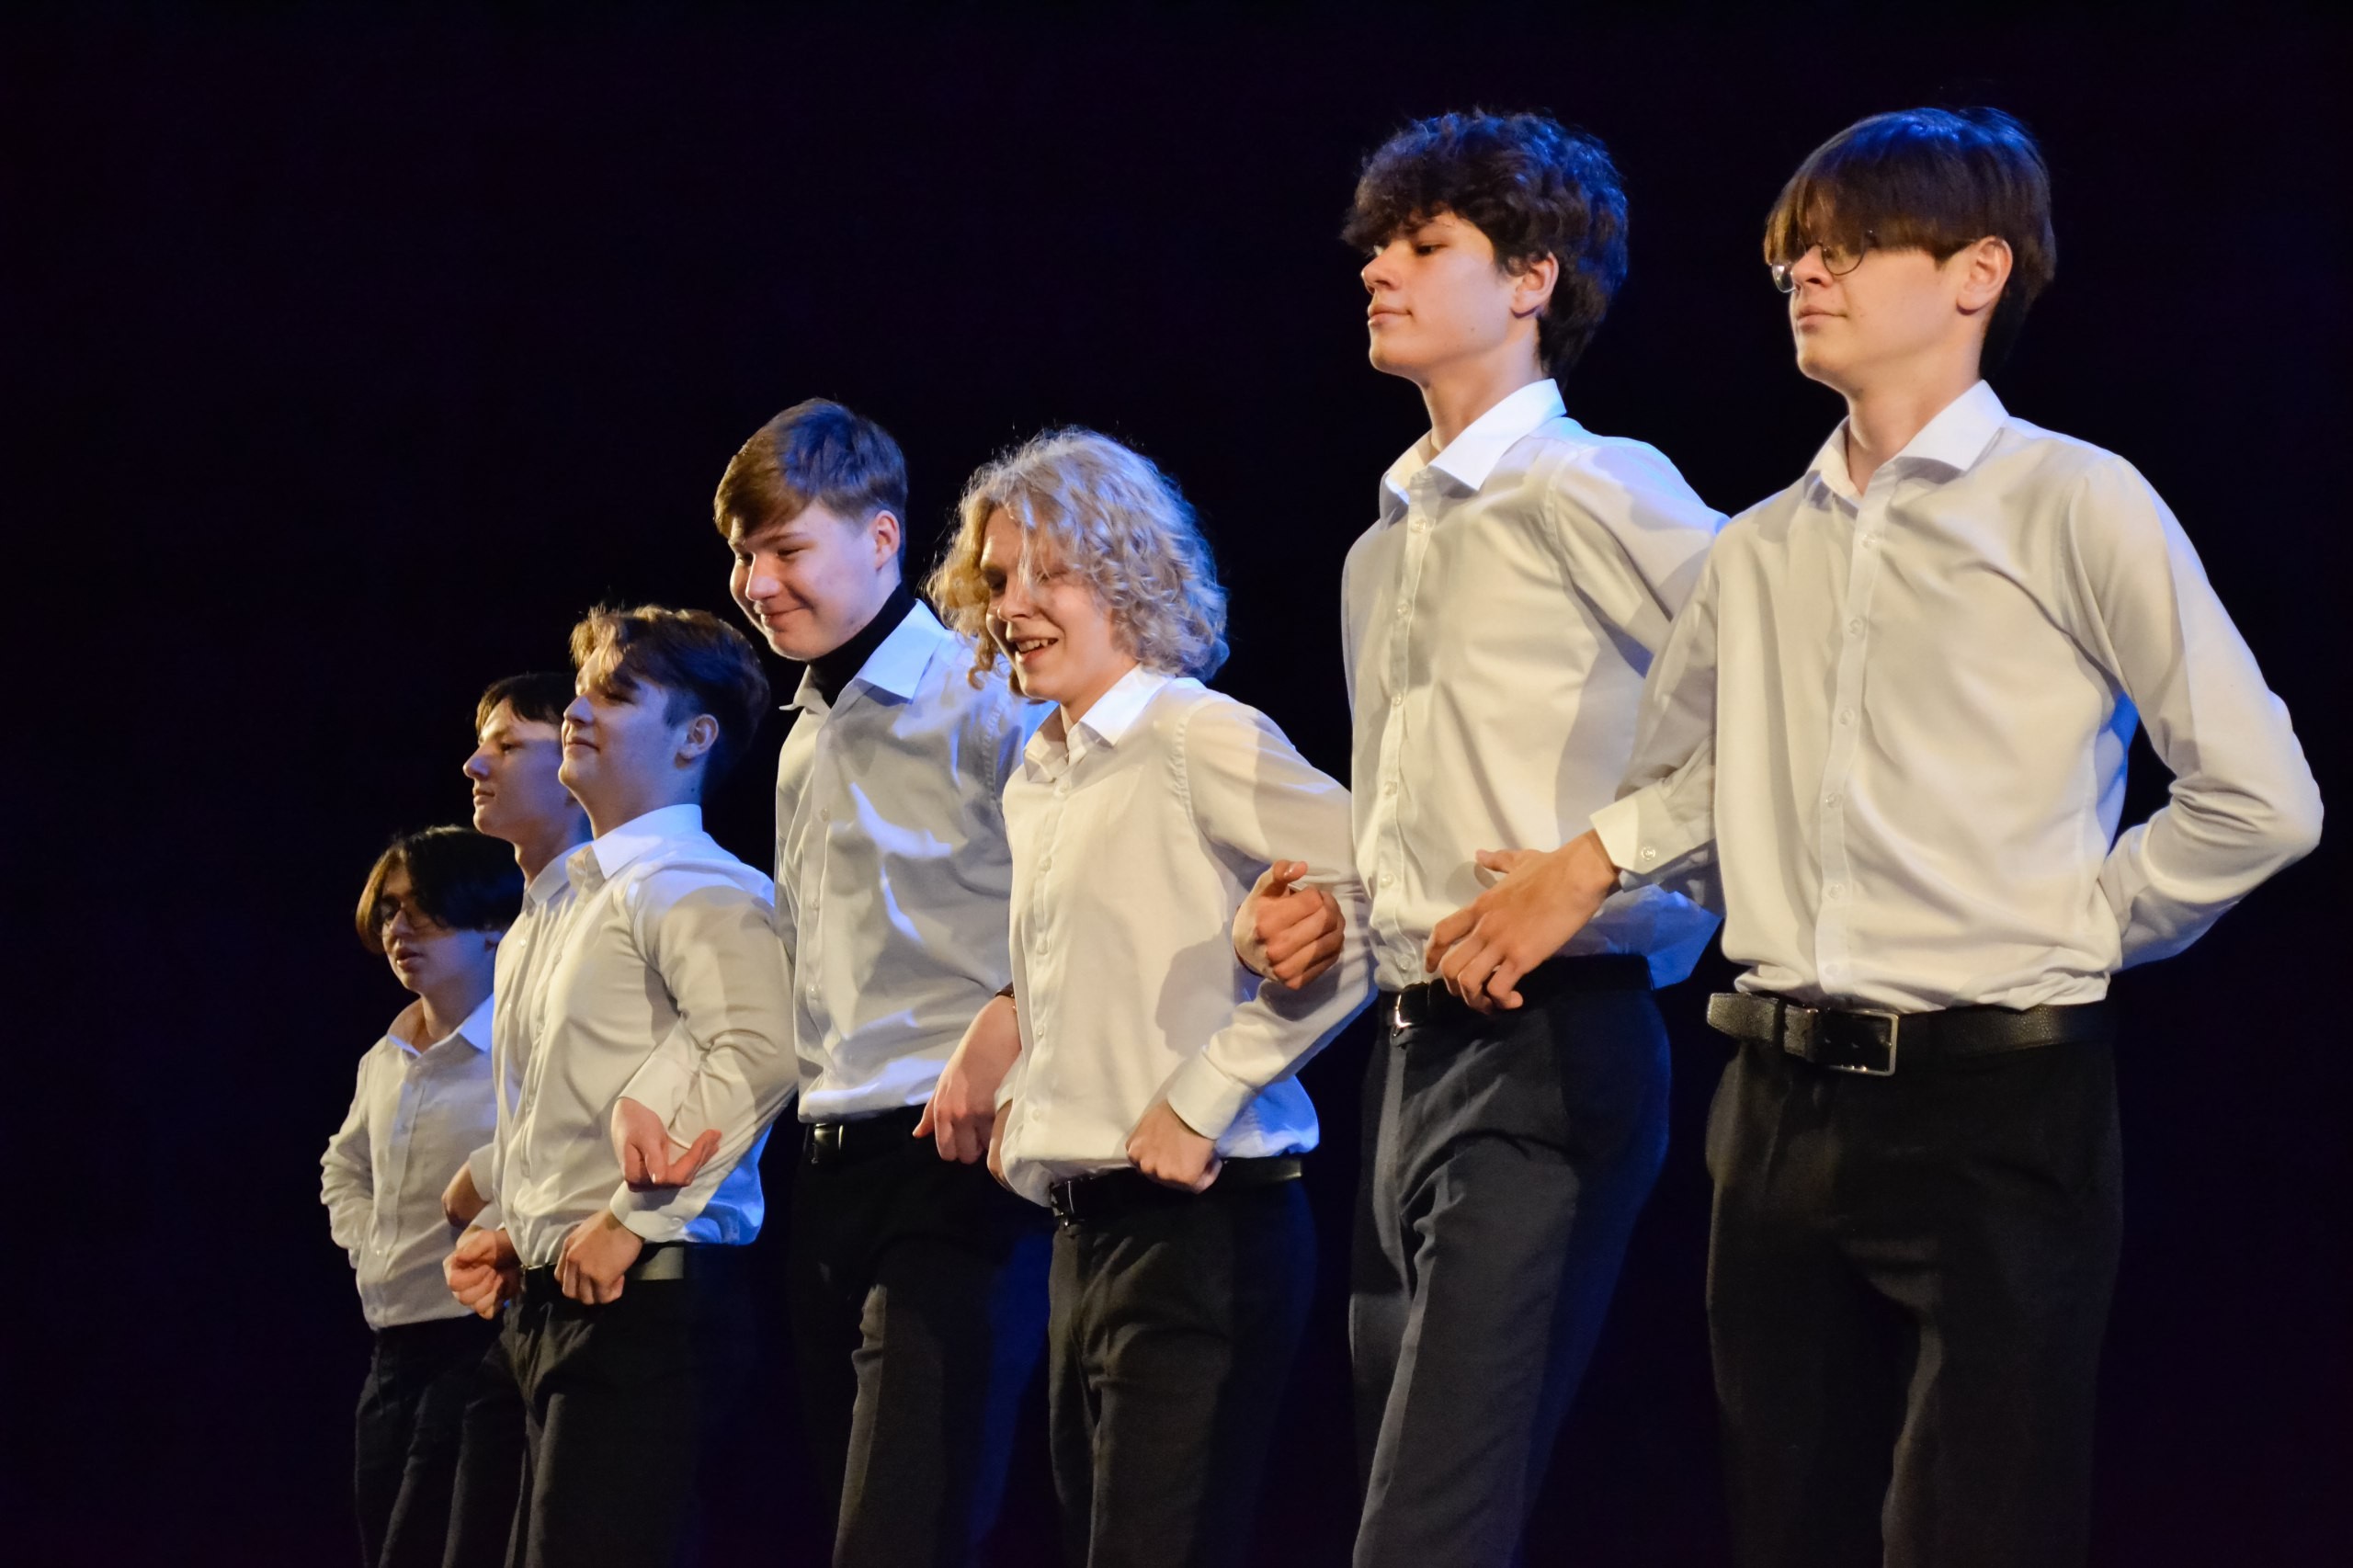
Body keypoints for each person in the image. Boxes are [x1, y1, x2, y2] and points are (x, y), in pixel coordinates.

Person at [1436, 108, 2324, 1566]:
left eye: (1850, 248)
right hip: (1778, 1104)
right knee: (1788, 1525)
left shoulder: (2073, 501)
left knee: (1980, 1527)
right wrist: (1592, 860)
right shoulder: (1758, 547)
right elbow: (1702, 783)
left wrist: (2080, 924)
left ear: (1978, 272)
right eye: (1796, 253)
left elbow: (2261, 796)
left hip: (1996, 1104)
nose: (1808, 275)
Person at [1249, 110, 1724, 1566]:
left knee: (1430, 1517)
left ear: (1531, 278)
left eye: (1424, 243)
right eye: (1377, 246)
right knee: (1404, 1488)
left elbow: (1794, 707)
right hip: (1412, 1054)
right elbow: (1414, 806)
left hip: (1554, 1038)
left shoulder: (1597, 484)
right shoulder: (1383, 544)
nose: (1378, 269)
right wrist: (1332, 904)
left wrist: (1599, 861)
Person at [928, 429, 1374, 1568]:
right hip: (1085, 1236)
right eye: (997, 579)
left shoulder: (1193, 732)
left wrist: (1202, 1094)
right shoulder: (1039, 772)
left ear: (1128, 576)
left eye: (1050, 574)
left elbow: (1377, 893)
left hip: (1202, 1229)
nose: (1012, 606)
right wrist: (1023, 1081)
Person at [625, 398, 1050, 1567]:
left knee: (900, 1526)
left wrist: (1011, 1017)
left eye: (785, 548)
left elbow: (1079, 899)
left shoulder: (986, 693)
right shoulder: (806, 731)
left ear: (880, 537)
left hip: (954, 1160)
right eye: (741, 554)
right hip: (830, 1168)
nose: (754, 583)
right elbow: (805, 970)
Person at [467, 605, 794, 1568]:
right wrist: (516, 1225)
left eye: (614, 694)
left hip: (645, 1304)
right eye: (582, 690)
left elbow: (758, 1050)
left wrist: (627, 1219)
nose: (576, 711)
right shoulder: (563, 904)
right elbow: (558, 1100)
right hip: (552, 1307)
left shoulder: (698, 883)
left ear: (695, 737)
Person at [322, 826, 522, 1568]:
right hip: (392, 1346)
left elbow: (552, 1161)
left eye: (425, 908)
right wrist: (369, 1243)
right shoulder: (387, 1056)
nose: (398, 929)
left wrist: (494, 1236)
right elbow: (342, 1166)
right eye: (389, 910)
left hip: (477, 1339)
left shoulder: (518, 1047)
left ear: (493, 925)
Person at [436, 672, 592, 1568]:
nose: (475, 763)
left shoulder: (613, 906)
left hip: (609, 1289)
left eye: (506, 745)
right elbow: (548, 1101)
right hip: (529, 1289)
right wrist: (503, 1203)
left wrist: (492, 1180)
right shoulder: (532, 919)